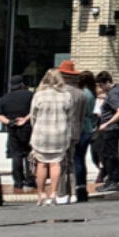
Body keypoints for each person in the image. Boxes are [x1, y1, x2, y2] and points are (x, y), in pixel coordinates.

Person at [29, 69, 72, 206]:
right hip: (59, 133)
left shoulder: (39, 95)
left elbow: (33, 116)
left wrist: (35, 128)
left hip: (42, 133)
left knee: (41, 163)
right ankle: (53, 193)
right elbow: (69, 116)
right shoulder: (66, 95)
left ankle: (41, 194)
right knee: (55, 163)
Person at [55, 60, 88, 204]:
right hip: (75, 131)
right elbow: (82, 116)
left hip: (61, 130)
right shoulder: (81, 94)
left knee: (61, 162)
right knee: (72, 162)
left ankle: (62, 192)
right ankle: (74, 191)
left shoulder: (60, 92)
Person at [0, 75, 35, 192]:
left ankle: (18, 181)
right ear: (22, 84)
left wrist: (10, 122)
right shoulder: (30, 95)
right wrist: (25, 119)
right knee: (29, 154)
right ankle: (30, 180)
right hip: (28, 128)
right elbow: (35, 110)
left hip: (13, 129)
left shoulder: (4, 98)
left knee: (16, 155)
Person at [94, 71, 119, 193]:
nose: (101, 88)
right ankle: (111, 180)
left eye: (102, 85)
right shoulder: (117, 91)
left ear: (108, 82)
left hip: (111, 129)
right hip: (113, 128)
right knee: (109, 154)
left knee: (110, 155)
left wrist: (107, 123)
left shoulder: (113, 94)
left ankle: (113, 181)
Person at [69, 72, 97, 203]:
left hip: (82, 128)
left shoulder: (84, 94)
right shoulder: (91, 92)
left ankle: (79, 187)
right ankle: (82, 187)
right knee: (80, 159)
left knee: (77, 159)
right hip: (88, 128)